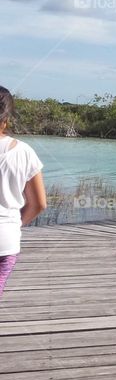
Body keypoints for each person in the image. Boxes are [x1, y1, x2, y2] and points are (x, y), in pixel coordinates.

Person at [0, 86, 47, 298]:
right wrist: (14, 223)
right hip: (6, 239)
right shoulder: (24, 152)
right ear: (7, 118)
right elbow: (39, 204)